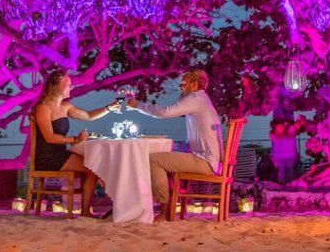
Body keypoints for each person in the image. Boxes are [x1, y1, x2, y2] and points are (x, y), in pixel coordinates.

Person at [128, 68, 222, 216]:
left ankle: (164, 210)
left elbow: (165, 112)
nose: (180, 87)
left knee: (153, 160)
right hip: (208, 159)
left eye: (183, 83)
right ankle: (166, 207)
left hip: (205, 161)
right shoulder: (202, 100)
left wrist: (137, 105)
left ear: (194, 84)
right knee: (167, 158)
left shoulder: (196, 98)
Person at [32, 70, 118, 217]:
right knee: (93, 167)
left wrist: (109, 108)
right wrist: (75, 140)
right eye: (68, 84)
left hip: (61, 154)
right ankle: (86, 212)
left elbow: (89, 116)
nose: (71, 87)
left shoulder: (66, 107)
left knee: (94, 165)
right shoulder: (43, 108)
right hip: (47, 157)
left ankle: (87, 212)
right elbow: (49, 138)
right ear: (56, 85)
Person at [269, 118, 302, 184]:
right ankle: (285, 185)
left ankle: (289, 185)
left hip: (287, 155)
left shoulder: (289, 130)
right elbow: (276, 137)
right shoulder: (274, 133)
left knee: (289, 173)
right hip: (281, 156)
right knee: (283, 173)